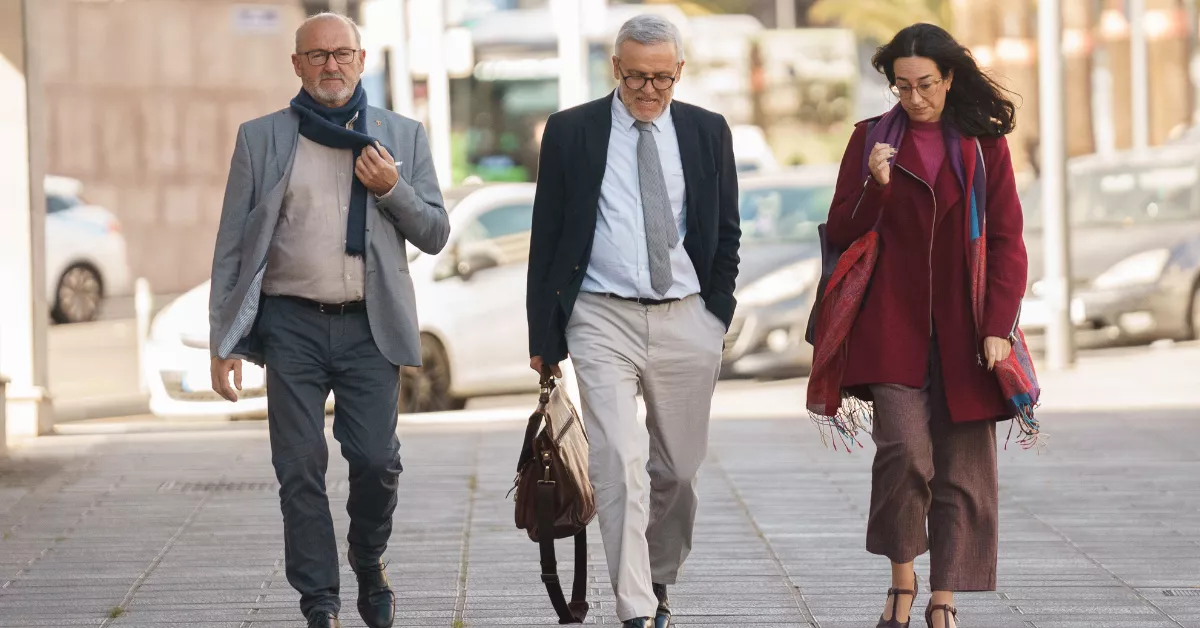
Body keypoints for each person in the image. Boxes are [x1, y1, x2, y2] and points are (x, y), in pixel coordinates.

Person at [207, 12, 449, 628]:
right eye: (317, 56)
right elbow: (232, 245)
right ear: (296, 65)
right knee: (299, 467)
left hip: (371, 326)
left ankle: (367, 558)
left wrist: (393, 187)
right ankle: (321, 603)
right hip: (292, 324)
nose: (331, 65)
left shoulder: (403, 135)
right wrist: (223, 339)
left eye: (341, 53)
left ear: (362, 59)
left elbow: (436, 233)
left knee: (375, 460)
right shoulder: (261, 139)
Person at [526, 13, 741, 628]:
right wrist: (545, 335)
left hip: (686, 316)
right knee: (618, 463)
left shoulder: (706, 131)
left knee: (676, 470)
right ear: (615, 69)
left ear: (679, 73)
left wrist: (715, 312)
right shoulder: (572, 131)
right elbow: (547, 240)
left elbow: (725, 228)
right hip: (600, 316)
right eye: (638, 77)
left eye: (662, 79)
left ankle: (660, 575)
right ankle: (636, 609)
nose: (650, 90)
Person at [817, 23, 1027, 628]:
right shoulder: (868, 143)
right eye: (902, 86)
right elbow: (840, 233)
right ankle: (902, 582)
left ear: (950, 77)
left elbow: (1009, 241)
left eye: (926, 84)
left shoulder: (985, 146)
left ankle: (944, 598)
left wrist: (997, 324)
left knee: (964, 471)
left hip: (967, 331)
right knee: (905, 453)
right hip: (891, 326)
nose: (914, 98)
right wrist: (876, 188)